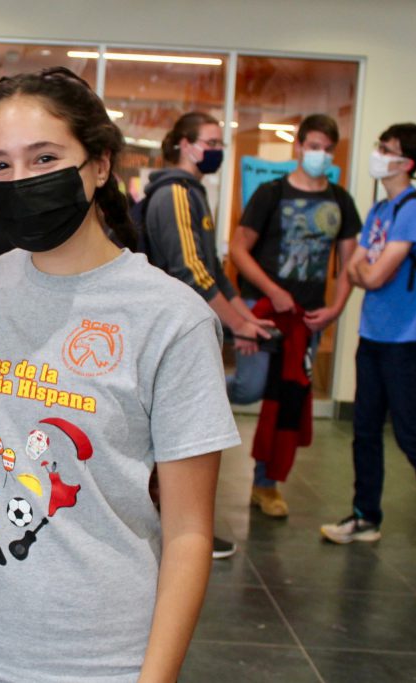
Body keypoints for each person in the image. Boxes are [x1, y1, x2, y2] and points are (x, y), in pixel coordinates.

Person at [0, 67, 240, 683]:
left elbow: (189, 531)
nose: (20, 180)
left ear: (101, 164)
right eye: (0, 165)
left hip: (101, 658)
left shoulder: (171, 318)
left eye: (45, 157)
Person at [321, 123, 416, 569]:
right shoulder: (381, 210)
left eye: (386, 149)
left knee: (412, 436)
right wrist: (364, 267)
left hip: (407, 341)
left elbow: (370, 275)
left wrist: (365, 267)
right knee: (365, 431)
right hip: (373, 336)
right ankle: (365, 516)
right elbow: (355, 266)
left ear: (406, 162)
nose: (378, 154)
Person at [140, 111, 272, 557]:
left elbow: (214, 269)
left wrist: (243, 320)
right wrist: (237, 325)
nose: (216, 149)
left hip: (189, 330)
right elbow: (191, 272)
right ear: (183, 144)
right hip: (171, 332)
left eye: (220, 141)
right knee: (176, 440)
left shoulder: (194, 194)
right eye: (209, 141)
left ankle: (181, 526)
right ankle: (176, 529)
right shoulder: (175, 193)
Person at [229, 114, 361, 518]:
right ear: (299, 147)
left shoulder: (340, 201)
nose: (319, 154)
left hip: (308, 321)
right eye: (313, 145)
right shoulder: (271, 193)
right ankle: (184, 398)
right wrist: (273, 292)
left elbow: (349, 262)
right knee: (250, 387)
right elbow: (238, 249)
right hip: (264, 311)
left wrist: (335, 310)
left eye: (327, 148)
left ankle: (266, 485)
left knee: (288, 401)